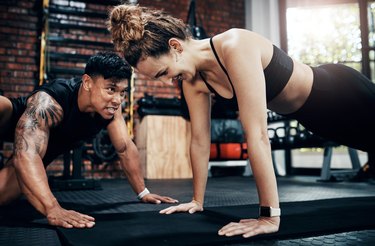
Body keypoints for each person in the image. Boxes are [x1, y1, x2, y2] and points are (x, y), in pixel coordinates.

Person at [107, 4, 375, 238]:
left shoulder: (235, 46)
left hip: (341, 94)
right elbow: (200, 140)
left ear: (175, 46)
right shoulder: (194, 81)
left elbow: (257, 134)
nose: (167, 80)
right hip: (312, 117)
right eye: (160, 79)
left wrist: (269, 216)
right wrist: (197, 200)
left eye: (165, 72)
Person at [0, 52, 178, 229]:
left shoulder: (110, 109)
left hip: (40, 153)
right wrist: (52, 208)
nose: (117, 100)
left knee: (4, 195)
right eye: (111, 89)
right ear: (87, 83)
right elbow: (26, 153)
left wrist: (143, 193)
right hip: (12, 122)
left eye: (122, 92)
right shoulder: (50, 102)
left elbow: (124, 148)